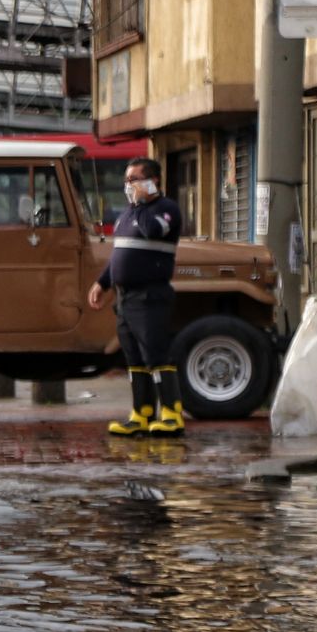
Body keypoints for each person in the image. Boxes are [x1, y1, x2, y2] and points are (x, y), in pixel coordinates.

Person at [87, 157, 185, 437]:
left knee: (156, 355)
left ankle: (171, 414)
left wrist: (143, 203)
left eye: (134, 180)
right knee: (134, 358)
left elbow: (152, 231)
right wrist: (102, 282)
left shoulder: (165, 210)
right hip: (125, 298)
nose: (128, 186)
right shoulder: (128, 213)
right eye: (126, 180)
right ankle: (141, 414)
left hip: (150, 295)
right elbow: (121, 253)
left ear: (153, 181)